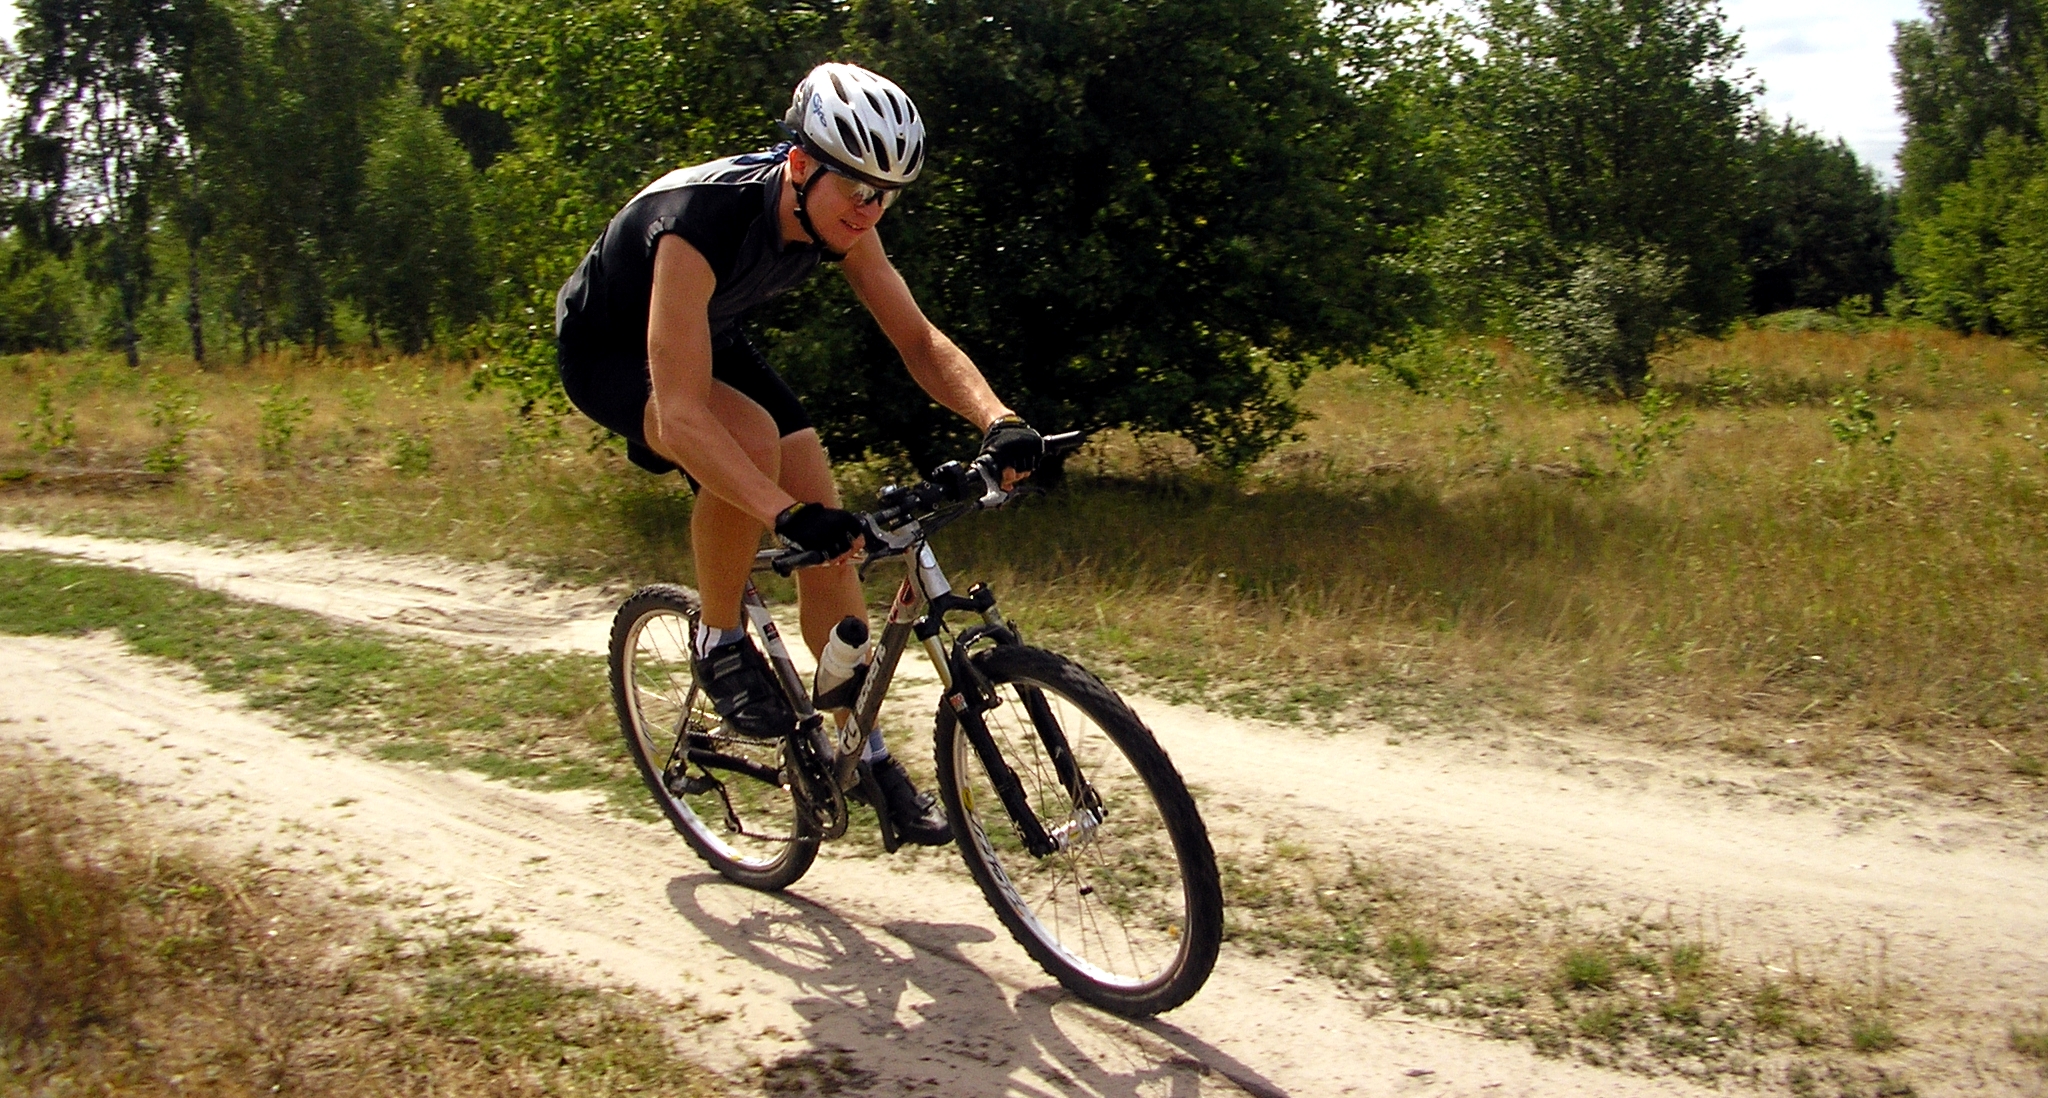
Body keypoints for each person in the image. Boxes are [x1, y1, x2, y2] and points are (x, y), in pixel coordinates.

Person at [554, 62, 1043, 846]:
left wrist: (999, 418)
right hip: (609, 349)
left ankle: (865, 752)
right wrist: (782, 515)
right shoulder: (696, 225)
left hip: (707, 332)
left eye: (885, 195)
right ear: (800, 165)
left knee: (832, 536)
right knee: (747, 445)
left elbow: (917, 341)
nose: (869, 209)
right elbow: (680, 416)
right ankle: (719, 644)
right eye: (855, 188)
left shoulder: (842, 219)